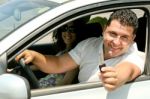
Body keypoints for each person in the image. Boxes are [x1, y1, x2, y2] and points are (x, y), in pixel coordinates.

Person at [15, 9, 144, 91]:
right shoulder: (89, 45)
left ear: (132, 38)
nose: (116, 42)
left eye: (124, 37)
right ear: (104, 29)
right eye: (113, 34)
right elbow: (58, 63)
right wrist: (35, 56)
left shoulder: (135, 56)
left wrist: (116, 77)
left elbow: (128, 70)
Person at [38, 20, 85, 87]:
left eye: (72, 29)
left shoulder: (76, 56)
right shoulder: (63, 51)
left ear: (78, 32)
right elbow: (48, 63)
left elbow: (66, 82)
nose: (67, 33)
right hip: (41, 85)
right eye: (64, 28)